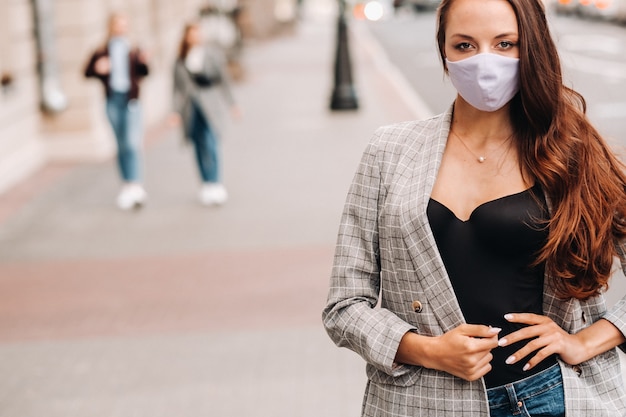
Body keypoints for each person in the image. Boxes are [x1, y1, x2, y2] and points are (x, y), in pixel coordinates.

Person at [322, 0, 626, 416]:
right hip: (421, 403)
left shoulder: (571, 152)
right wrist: (426, 350)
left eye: (505, 44)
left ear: (532, 48)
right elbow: (344, 305)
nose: (485, 62)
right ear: (444, 52)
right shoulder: (389, 151)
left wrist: (585, 341)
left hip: (549, 397)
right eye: (465, 45)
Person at [84, 12, 149, 210]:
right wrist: (98, 68)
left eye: (124, 24)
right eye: (118, 24)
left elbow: (145, 72)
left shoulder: (133, 49)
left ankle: (136, 183)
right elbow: (87, 72)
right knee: (120, 145)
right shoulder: (102, 50)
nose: (121, 28)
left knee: (131, 143)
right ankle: (126, 185)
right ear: (111, 27)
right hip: (113, 100)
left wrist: (144, 61)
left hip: (131, 100)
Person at [171, 21, 239, 206]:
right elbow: (176, 88)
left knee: (211, 142)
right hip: (191, 107)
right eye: (191, 33)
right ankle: (205, 183)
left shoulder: (211, 54)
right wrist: (175, 112)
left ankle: (215, 181)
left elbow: (224, 79)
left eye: (197, 33)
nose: (195, 37)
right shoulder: (181, 58)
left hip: (210, 103)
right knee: (198, 144)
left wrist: (232, 104)